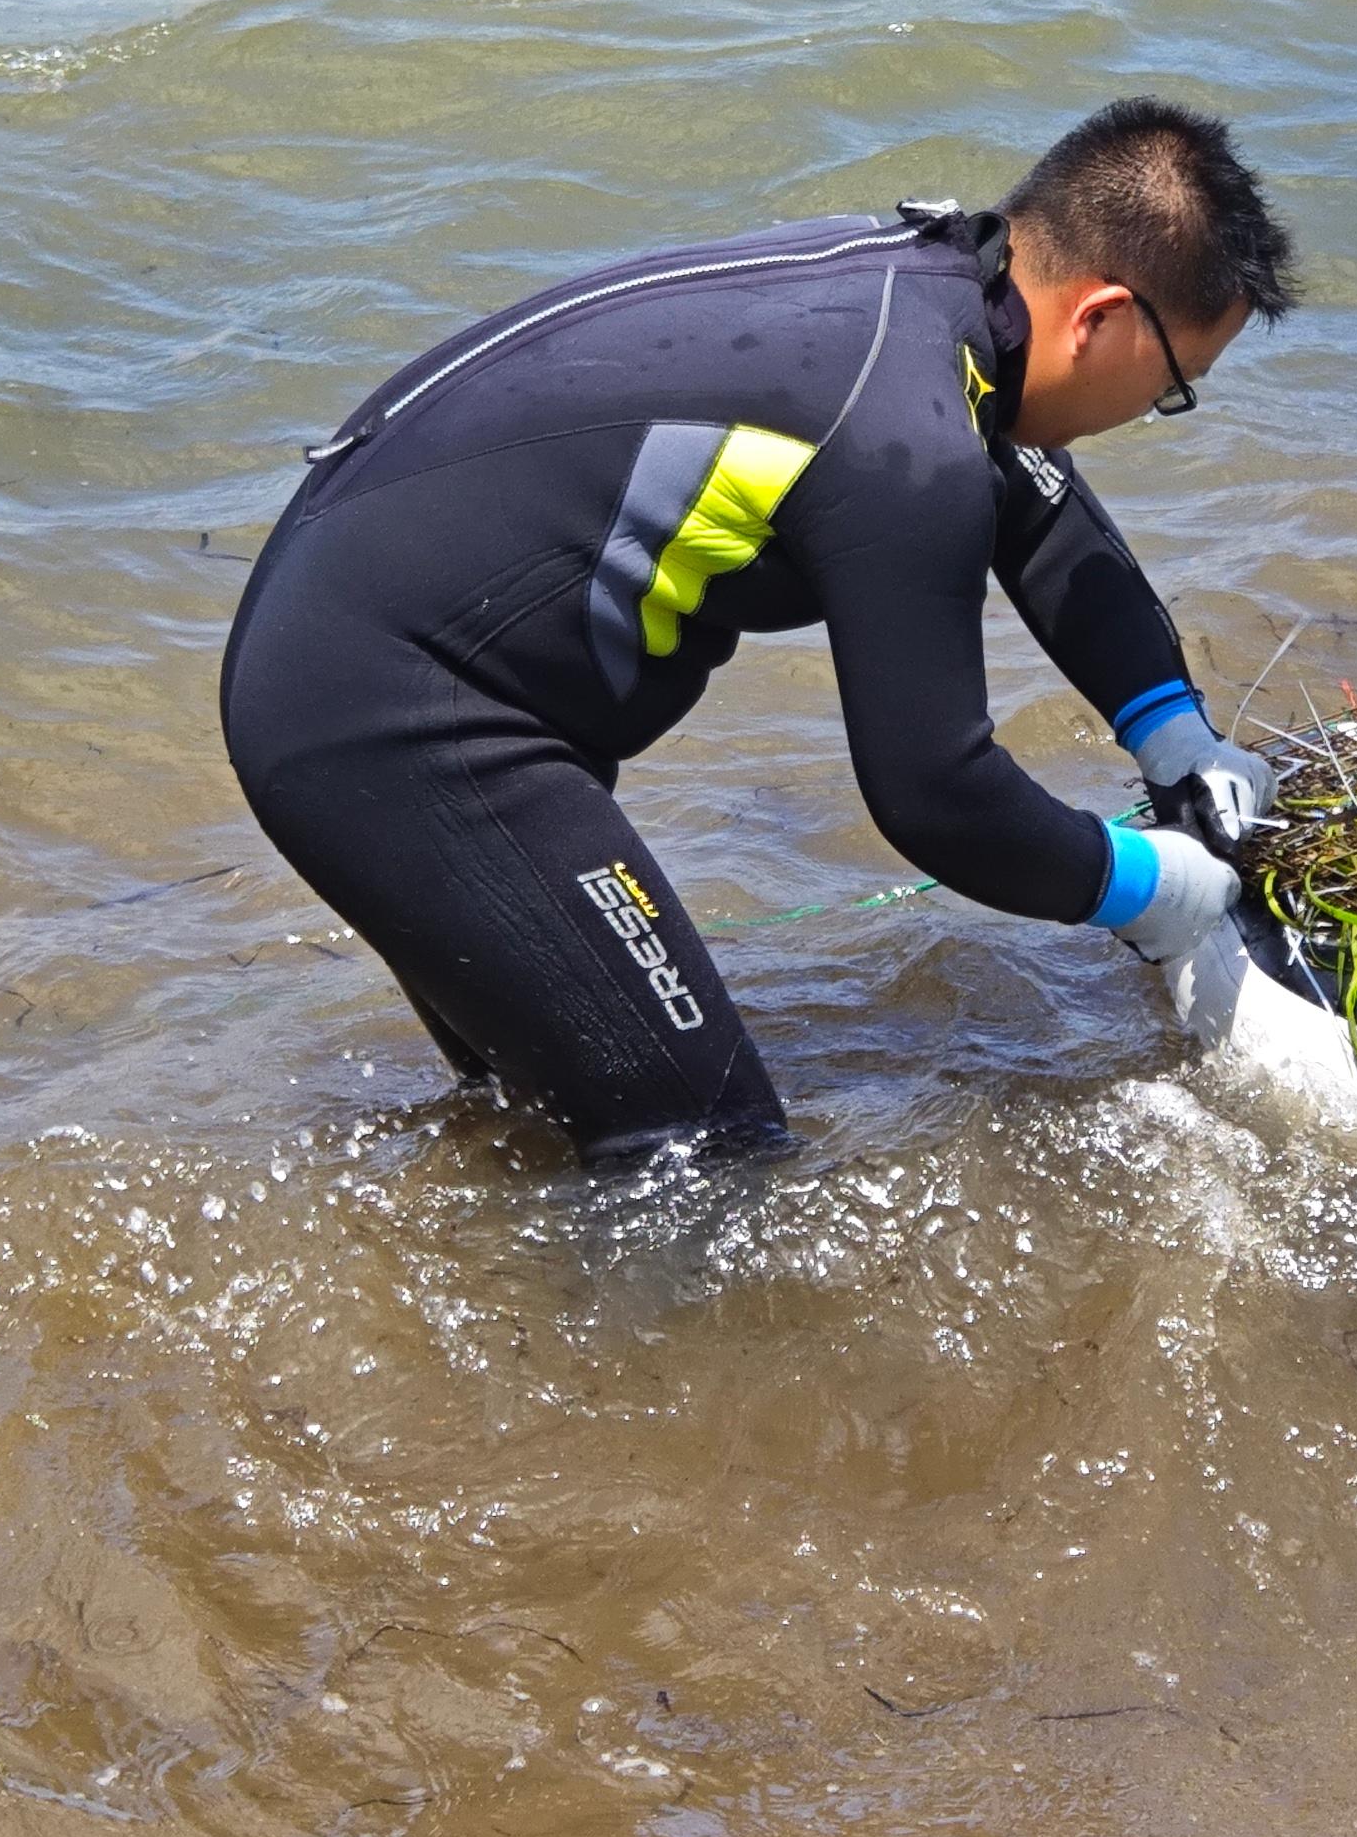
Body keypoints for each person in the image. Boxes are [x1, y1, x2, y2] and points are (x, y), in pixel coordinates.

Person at [218, 97, 1298, 1161]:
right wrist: (1147, 889)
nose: (1152, 413)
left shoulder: (928, 295)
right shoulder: (905, 435)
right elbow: (937, 794)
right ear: (1101, 315)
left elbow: (1033, 495)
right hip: (398, 723)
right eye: (1173, 387)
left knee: (543, 1114)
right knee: (702, 1151)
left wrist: (1173, 732)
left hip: (346, 648)